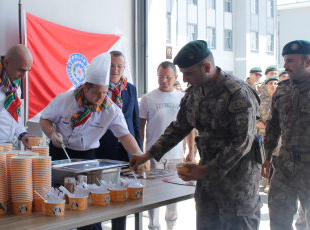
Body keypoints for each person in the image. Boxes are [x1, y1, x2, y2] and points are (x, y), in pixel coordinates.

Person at [130, 40, 262, 230]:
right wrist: (148, 154)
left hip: (237, 184)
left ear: (207, 67)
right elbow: (179, 128)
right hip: (207, 183)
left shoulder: (238, 93)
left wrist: (206, 170)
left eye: (188, 73)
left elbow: (242, 142)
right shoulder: (194, 93)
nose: (183, 80)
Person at [40, 52, 142, 230]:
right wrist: (52, 135)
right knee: (58, 204)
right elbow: (45, 119)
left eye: (104, 92)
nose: (100, 98)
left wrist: (139, 155)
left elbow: (125, 136)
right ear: (85, 88)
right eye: (96, 93)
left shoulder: (110, 109)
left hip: (88, 158)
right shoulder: (64, 100)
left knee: (87, 209)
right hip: (60, 154)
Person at [261, 40, 310, 229]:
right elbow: (273, 126)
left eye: (290, 61)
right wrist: (267, 156)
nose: (284, 66)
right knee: (278, 222)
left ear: (308, 62)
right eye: (284, 60)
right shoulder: (283, 89)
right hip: (285, 167)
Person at [140, 61, 195, 230]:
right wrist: (142, 154)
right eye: (160, 76)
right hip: (153, 155)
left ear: (176, 78)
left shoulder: (182, 98)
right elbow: (140, 129)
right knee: (153, 193)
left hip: (176, 155)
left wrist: (191, 151)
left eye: (168, 77)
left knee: (173, 193)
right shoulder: (148, 98)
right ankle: (153, 226)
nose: (164, 80)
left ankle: (171, 226)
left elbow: (189, 127)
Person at [96, 50, 142, 230]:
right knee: (99, 194)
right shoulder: (97, 89)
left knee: (121, 195)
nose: (115, 69)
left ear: (124, 68)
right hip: (102, 149)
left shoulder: (130, 89)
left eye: (119, 66)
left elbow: (135, 123)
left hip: (125, 151)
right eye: (111, 65)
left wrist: (138, 151)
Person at [257, 76, 279, 189]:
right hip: (262, 134)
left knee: (275, 157)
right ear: (266, 85)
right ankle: (265, 179)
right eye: (271, 83)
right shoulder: (260, 98)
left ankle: (270, 182)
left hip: (276, 135)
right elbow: (254, 114)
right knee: (264, 157)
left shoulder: (281, 98)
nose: (274, 85)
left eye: (276, 83)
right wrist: (258, 122)